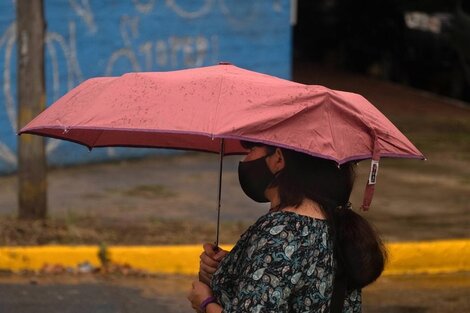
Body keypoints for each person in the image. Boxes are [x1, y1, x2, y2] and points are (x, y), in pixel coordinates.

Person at [188, 141, 387, 313]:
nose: (246, 158)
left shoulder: (281, 232)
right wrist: (233, 266)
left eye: (252, 149)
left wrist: (206, 303)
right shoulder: (332, 224)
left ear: (278, 159)